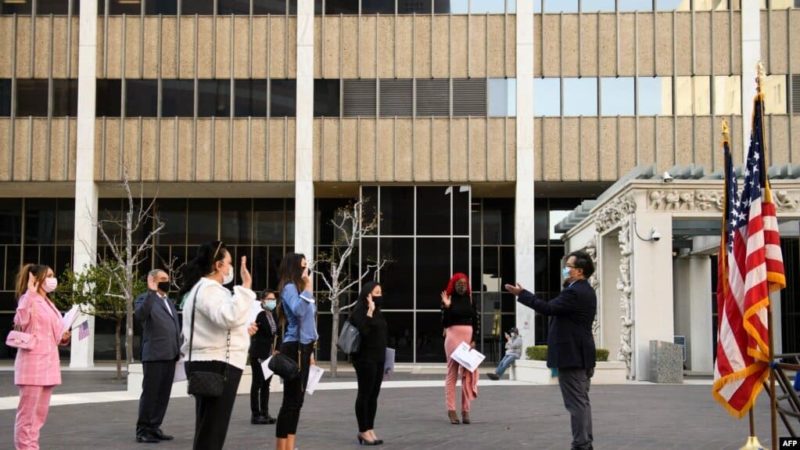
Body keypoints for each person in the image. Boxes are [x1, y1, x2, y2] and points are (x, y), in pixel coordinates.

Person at [504, 250, 597, 450]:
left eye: (568, 266)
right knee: (582, 402)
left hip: (572, 356)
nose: (565, 269)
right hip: (582, 354)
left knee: (576, 404)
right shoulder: (586, 290)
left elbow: (547, 308)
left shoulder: (574, 292)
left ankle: (581, 444)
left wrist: (522, 294)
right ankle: (585, 442)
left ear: (579, 271)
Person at [178, 241, 255, 450]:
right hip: (217, 364)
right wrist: (245, 287)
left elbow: (220, 323)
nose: (231, 268)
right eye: (229, 263)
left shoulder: (201, 289)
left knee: (207, 427)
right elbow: (229, 317)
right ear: (218, 265)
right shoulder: (209, 289)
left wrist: (242, 330)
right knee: (213, 430)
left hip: (208, 362)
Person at [13, 264, 71, 450]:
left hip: (48, 364)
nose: (53, 279)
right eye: (48, 276)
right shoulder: (28, 299)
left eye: (53, 275)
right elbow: (20, 321)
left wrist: (63, 336)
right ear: (36, 279)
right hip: (32, 366)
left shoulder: (48, 303)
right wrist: (29, 293)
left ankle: (32, 446)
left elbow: (52, 333)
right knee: (27, 415)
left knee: (39, 416)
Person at [275, 253, 318, 450]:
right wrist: (308, 288)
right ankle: (282, 446)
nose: (306, 270)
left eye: (306, 266)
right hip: (294, 347)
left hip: (304, 347)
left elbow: (309, 322)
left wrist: (311, 352)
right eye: (302, 266)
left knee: (297, 401)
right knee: (291, 401)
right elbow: (299, 311)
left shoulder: (299, 288)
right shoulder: (290, 288)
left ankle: (290, 445)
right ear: (294, 268)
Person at [134, 269, 181, 443]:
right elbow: (140, 314)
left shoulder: (168, 300)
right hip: (154, 355)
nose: (166, 282)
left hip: (170, 355)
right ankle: (143, 430)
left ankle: (154, 427)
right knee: (151, 394)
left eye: (167, 279)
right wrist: (151, 292)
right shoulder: (145, 298)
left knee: (163, 395)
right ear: (152, 280)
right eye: (162, 279)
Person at [348, 281, 387, 446]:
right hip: (365, 359)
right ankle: (362, 430)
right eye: (376, 293)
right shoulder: (359, 311)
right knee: (364, 394)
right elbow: (364, 332)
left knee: (373, 395)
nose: (379, 296)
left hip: (378, 358)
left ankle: (370, 428)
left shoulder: (378, 312)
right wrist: (370, 311)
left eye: (380, 292)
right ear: (368, 294)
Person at [440, 273, 480, 425]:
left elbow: (475, 319)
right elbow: (445, 322)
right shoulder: (448, 298)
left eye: (464, 283)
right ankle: (451, 410)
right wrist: (447, 306)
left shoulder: (470, 299)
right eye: (459, 283)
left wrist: (474, 339)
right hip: (453, 337)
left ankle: (466, 410)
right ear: (453, 284)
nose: (462, 285)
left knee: (467, 374)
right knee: (452, 373)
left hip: (468, 338)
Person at [248, 290, 280, 425]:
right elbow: (261, 333)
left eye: (274, 299)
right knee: (257, 383)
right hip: (258, 354)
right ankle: (255, 414)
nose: (272, 301)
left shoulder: (273, 315)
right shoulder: (259, 315)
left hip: (269, 355)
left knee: (266, 384)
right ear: (262, 300)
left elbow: (276, 333)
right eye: (269, 299)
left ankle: (265, 413)